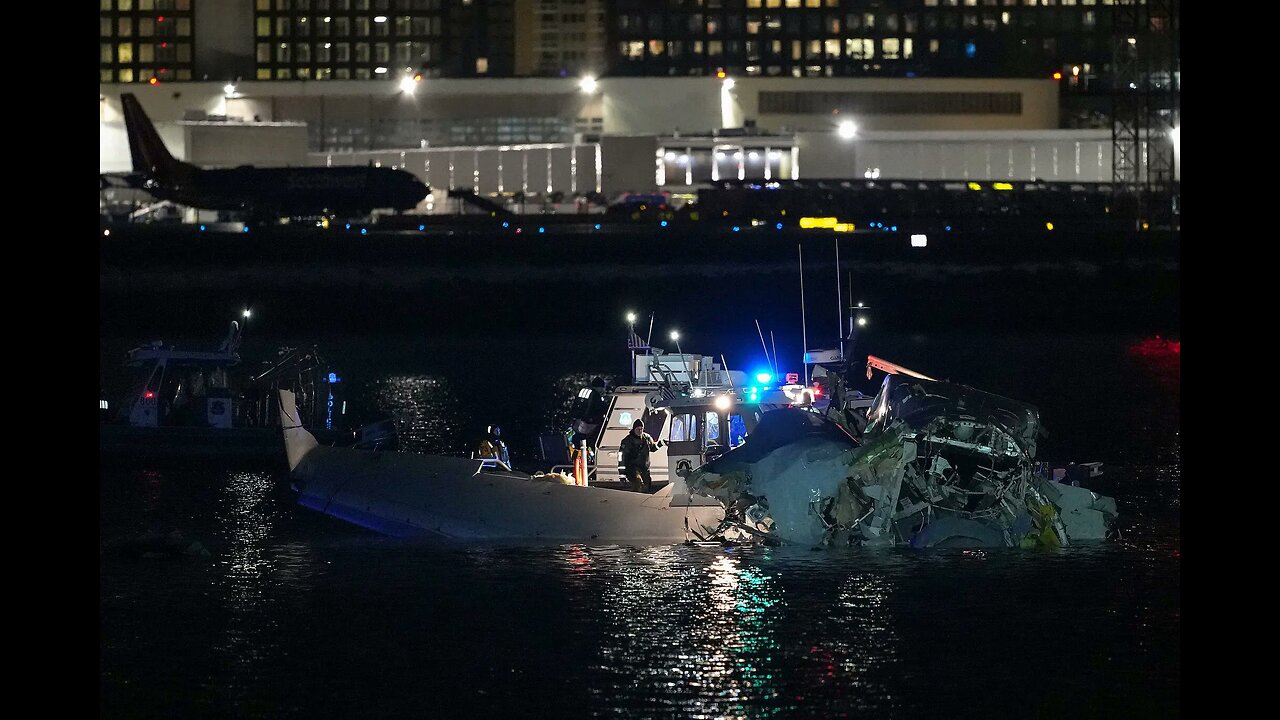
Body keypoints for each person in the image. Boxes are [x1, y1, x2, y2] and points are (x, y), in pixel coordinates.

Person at [619, 419, 660, 493]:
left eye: (641, 429)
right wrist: (622, 475)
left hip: (644, 469)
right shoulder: (627, 441)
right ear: (634, 429)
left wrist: (661, 443)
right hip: (632, 468)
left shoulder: (646, 438)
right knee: (638, 484)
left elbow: (653, 448)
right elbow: (621, 458)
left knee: (647, 486)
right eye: (638, 429)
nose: (640, 431)